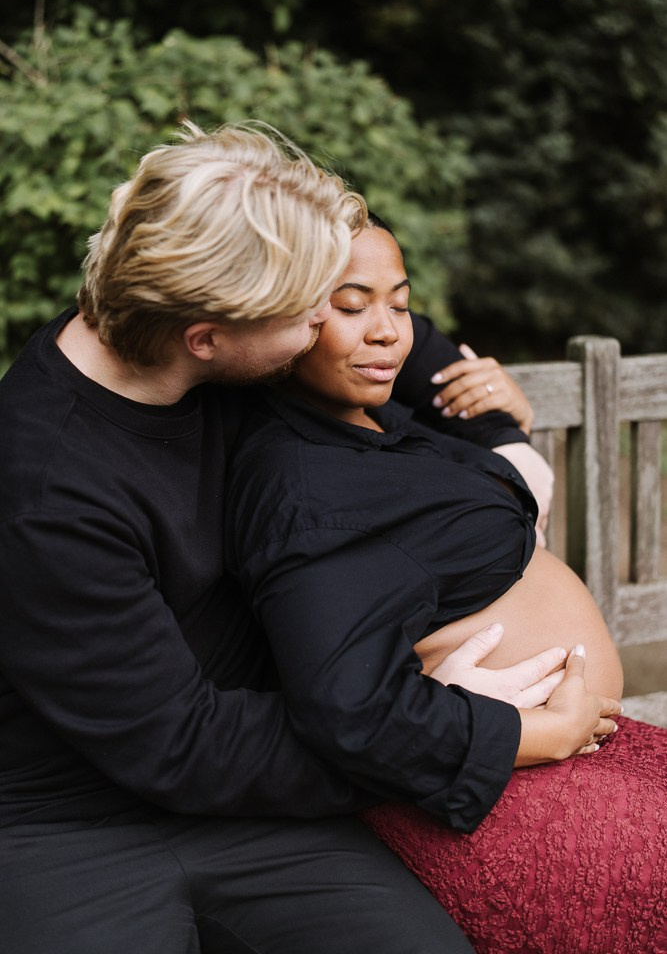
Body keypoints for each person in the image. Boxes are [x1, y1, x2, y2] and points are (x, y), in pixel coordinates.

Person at [0, 121, 493, 954]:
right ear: (207, 339)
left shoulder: (174, 302)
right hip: (61, 821)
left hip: (255, 806)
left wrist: (500, 430)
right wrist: (450, 729)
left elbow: (377, 317)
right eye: (314, 313)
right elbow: (180, 743)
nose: (333, 326)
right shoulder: (43, 489)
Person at [225, 216, 667, 952]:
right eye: (350, 304)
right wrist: (522, 730)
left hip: (568, 751)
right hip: (500, 780)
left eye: (396, 303)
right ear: (283, 317)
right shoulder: (302, 483)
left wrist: (500, 425)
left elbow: (426, 349)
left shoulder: (367, 414)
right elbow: (343, 702)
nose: (388, 331)